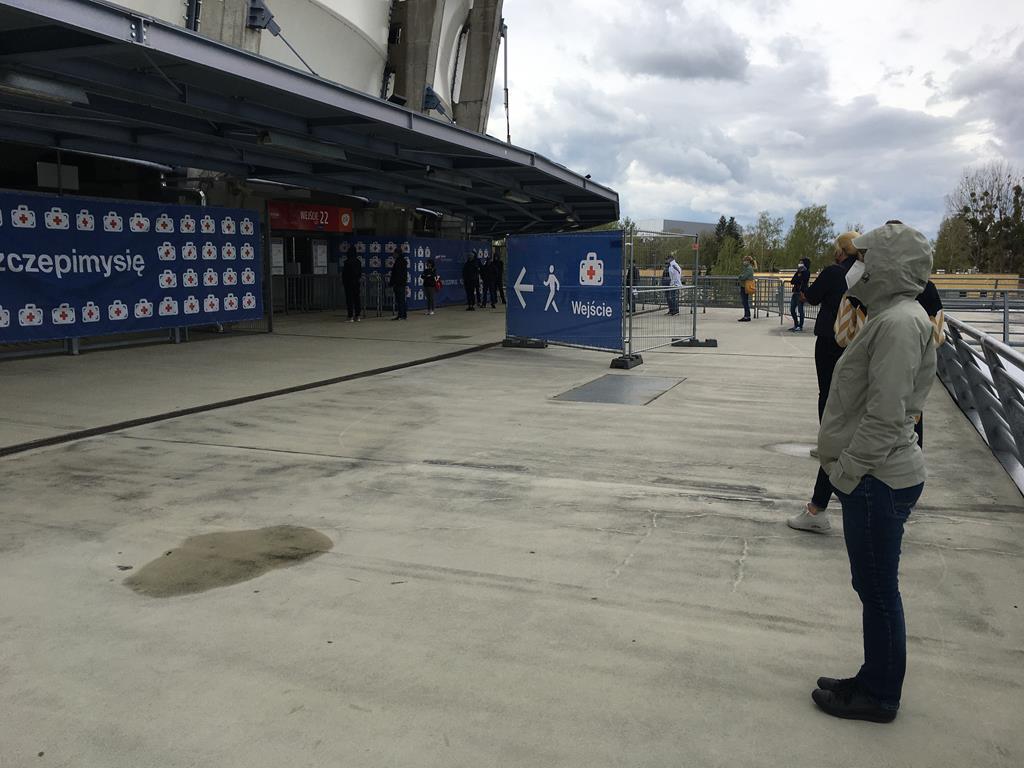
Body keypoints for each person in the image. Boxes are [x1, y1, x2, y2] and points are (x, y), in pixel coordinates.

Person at [810, 221, 937, 723]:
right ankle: (872, 677)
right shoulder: (891, 316)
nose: (856, 266)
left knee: (879, 591)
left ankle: (880, 695)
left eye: (865, 258)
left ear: (888, 265)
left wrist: (846, 472)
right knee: (873, 587)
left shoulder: (900, 323)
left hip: (878, 477)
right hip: (876, 475)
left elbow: (885, 416)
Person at [788, 232, 860, 532]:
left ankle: (819, 504)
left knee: (829, 399)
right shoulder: (867, 275)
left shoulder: (834, 272)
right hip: (858, 347)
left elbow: (811, 297)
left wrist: (802, 285)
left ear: (841, 250)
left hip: (832, 340)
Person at [789, 258, 811, 331]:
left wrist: (799, 278)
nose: (800, 264)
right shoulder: (798, 271)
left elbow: (804, 280)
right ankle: (796, 324)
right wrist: (798, 277)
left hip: (801, 292)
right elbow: (792, 281)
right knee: (792, 309)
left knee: (800, 310)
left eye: (801, 263)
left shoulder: (806, 272)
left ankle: (800, 326)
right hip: (795, 292)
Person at [342, 251, 362, 322]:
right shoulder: (358, 262)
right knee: (357, 299)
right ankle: (358, 316)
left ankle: (350, 316)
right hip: (356, 283)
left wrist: (344, 282)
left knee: (349, 300)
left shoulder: (347, 262)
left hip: (348, 283)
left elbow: (345, 274)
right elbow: (360, 272)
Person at [389, 250, 408, 320]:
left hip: (399, 284)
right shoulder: (402, 261)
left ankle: (401, 315)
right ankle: (403, 315)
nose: (393, 255)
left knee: (400, 300)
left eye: (394, 253)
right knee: (401, 300)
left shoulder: (399, 262)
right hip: (401, 283)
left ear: (397, 254)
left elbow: (397, 274)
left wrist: (393, 282)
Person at [737, 255, 755, 321]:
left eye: (745, 261)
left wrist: (740, 276)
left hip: (745, 286)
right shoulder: (747, 268)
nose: (743, 262)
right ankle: (747, 315)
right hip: (744, 286)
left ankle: (747, 316)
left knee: (745, 301)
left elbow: (744, 277)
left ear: (748, 261)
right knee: (745, 301)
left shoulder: (749, 268)